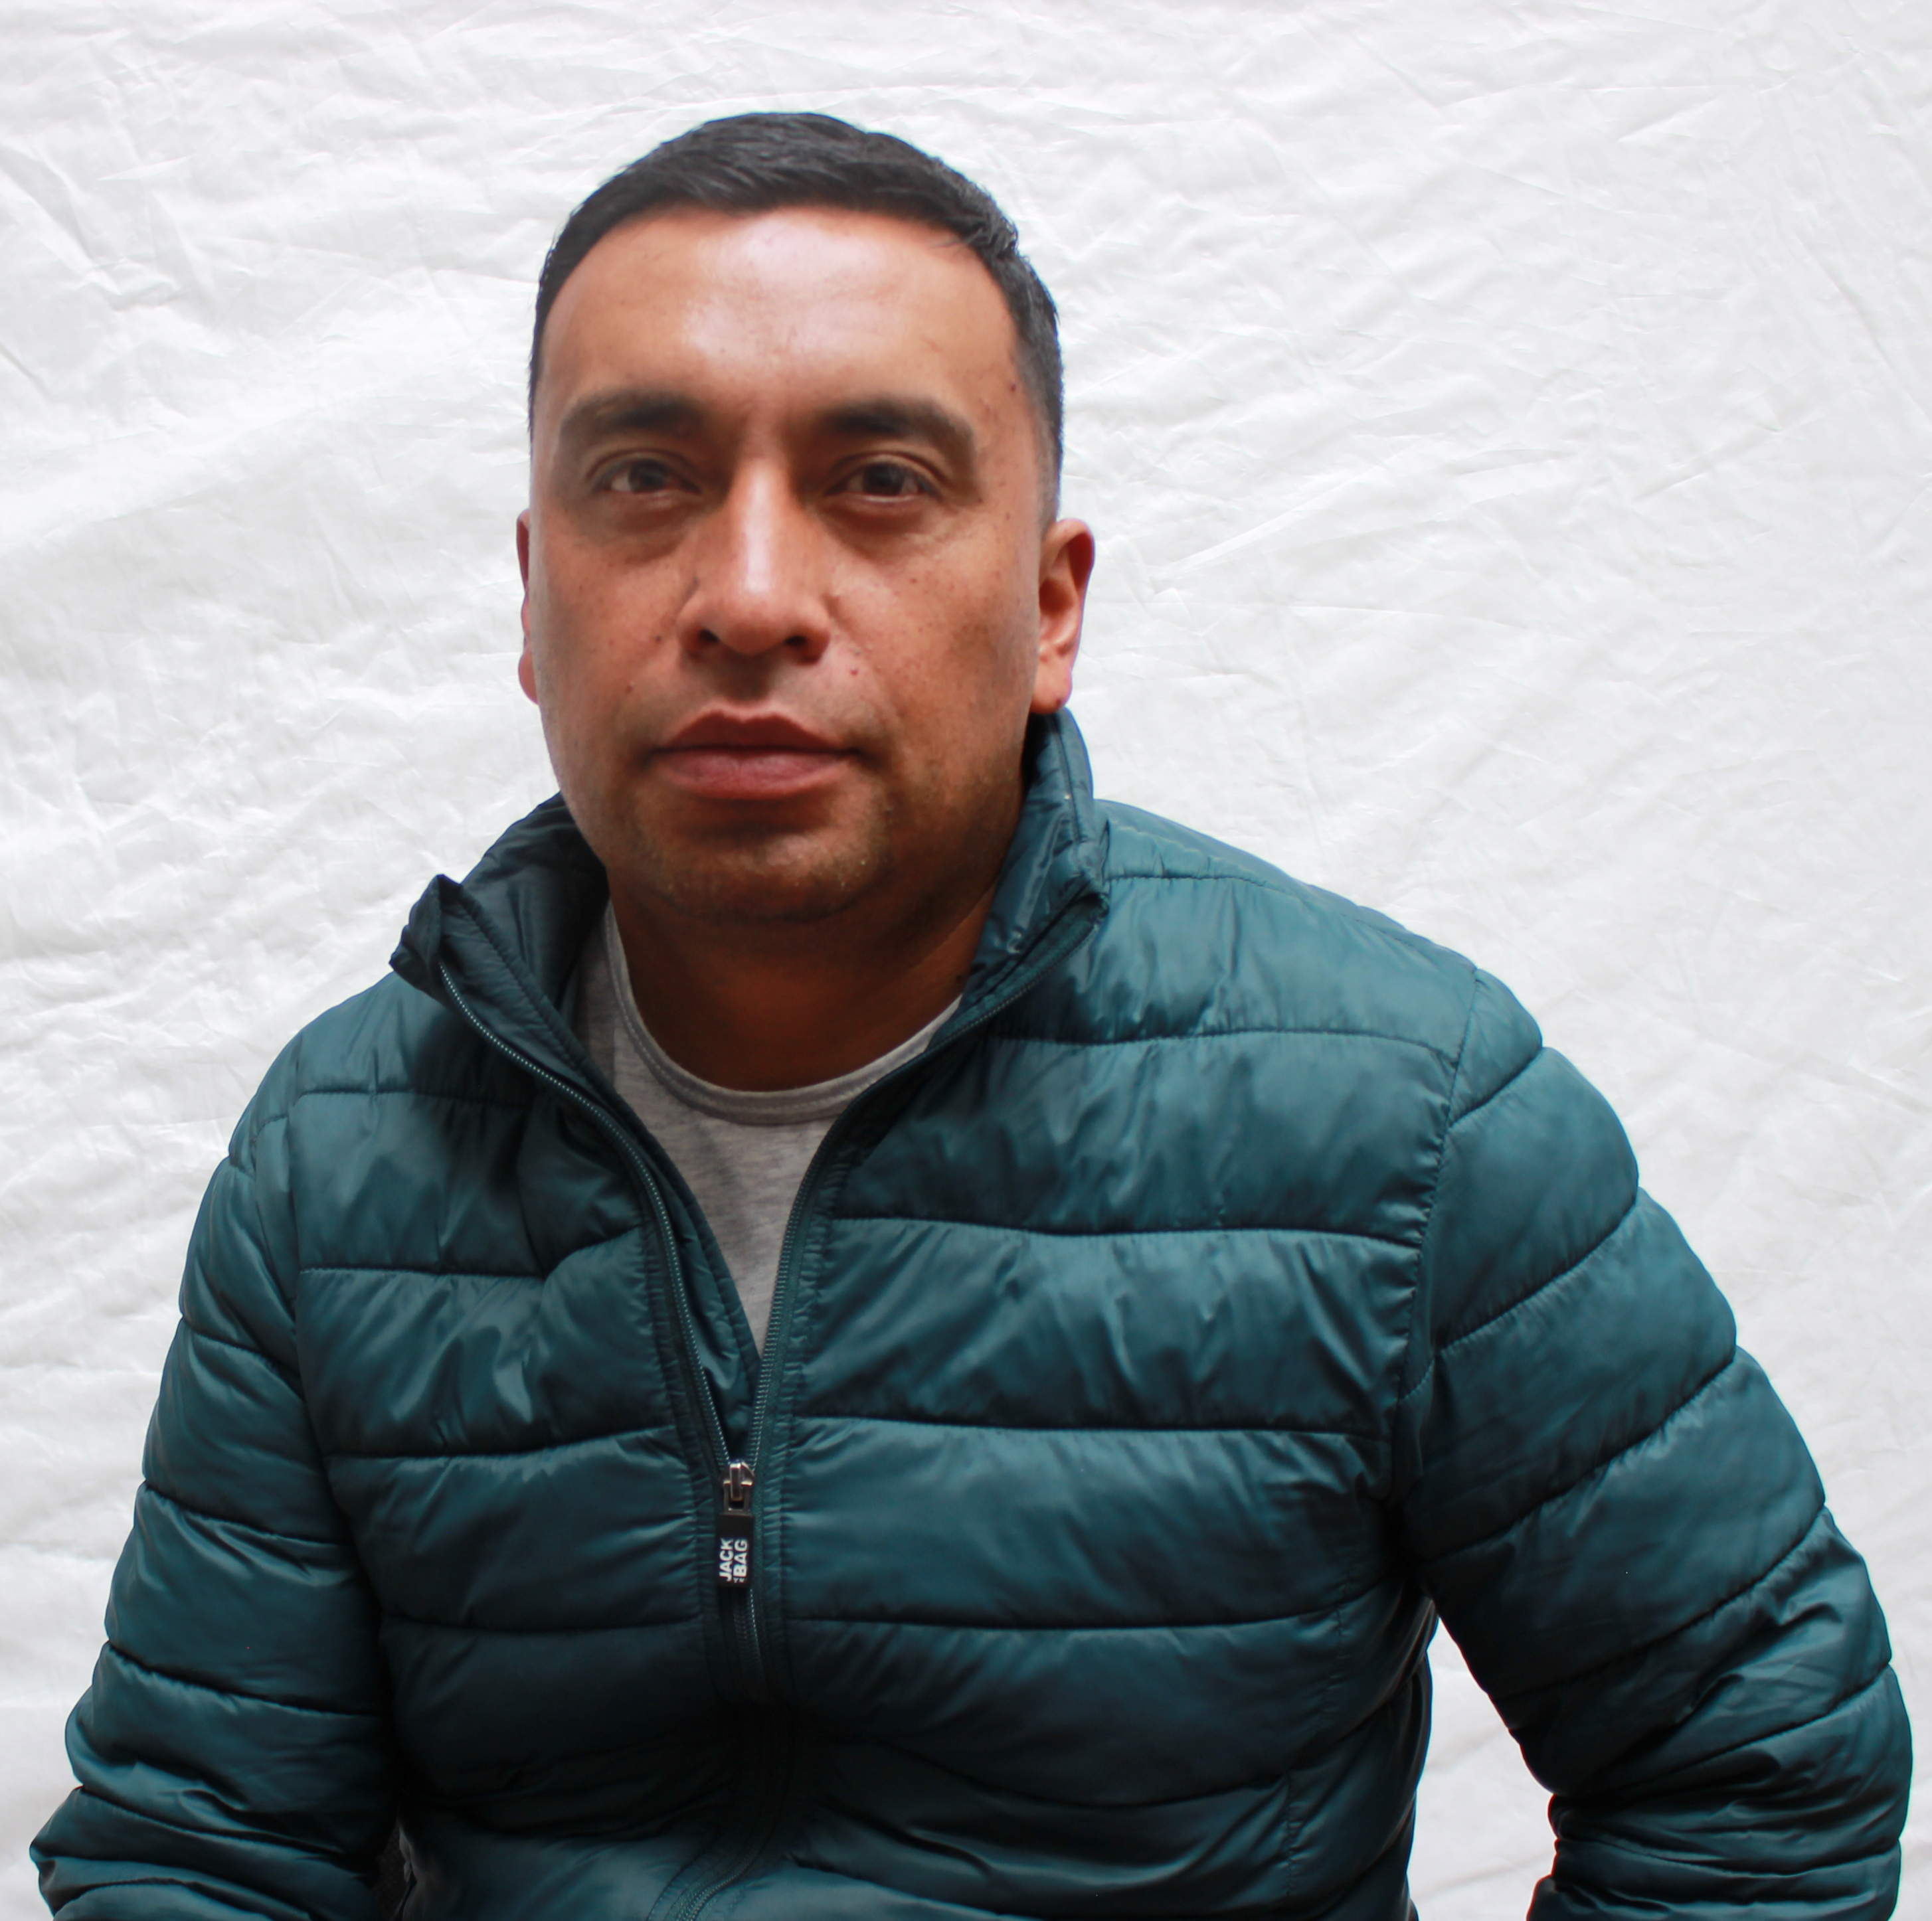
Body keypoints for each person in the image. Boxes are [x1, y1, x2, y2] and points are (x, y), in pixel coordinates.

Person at [33, 110, 1910, 1921]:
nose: (749, 596)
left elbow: (1755, 1769)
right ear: (537, 598)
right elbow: (201, 1847)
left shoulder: (1409, 1125)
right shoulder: (343, 1154)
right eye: (646, 479)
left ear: (1051, 608)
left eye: (879, 482)